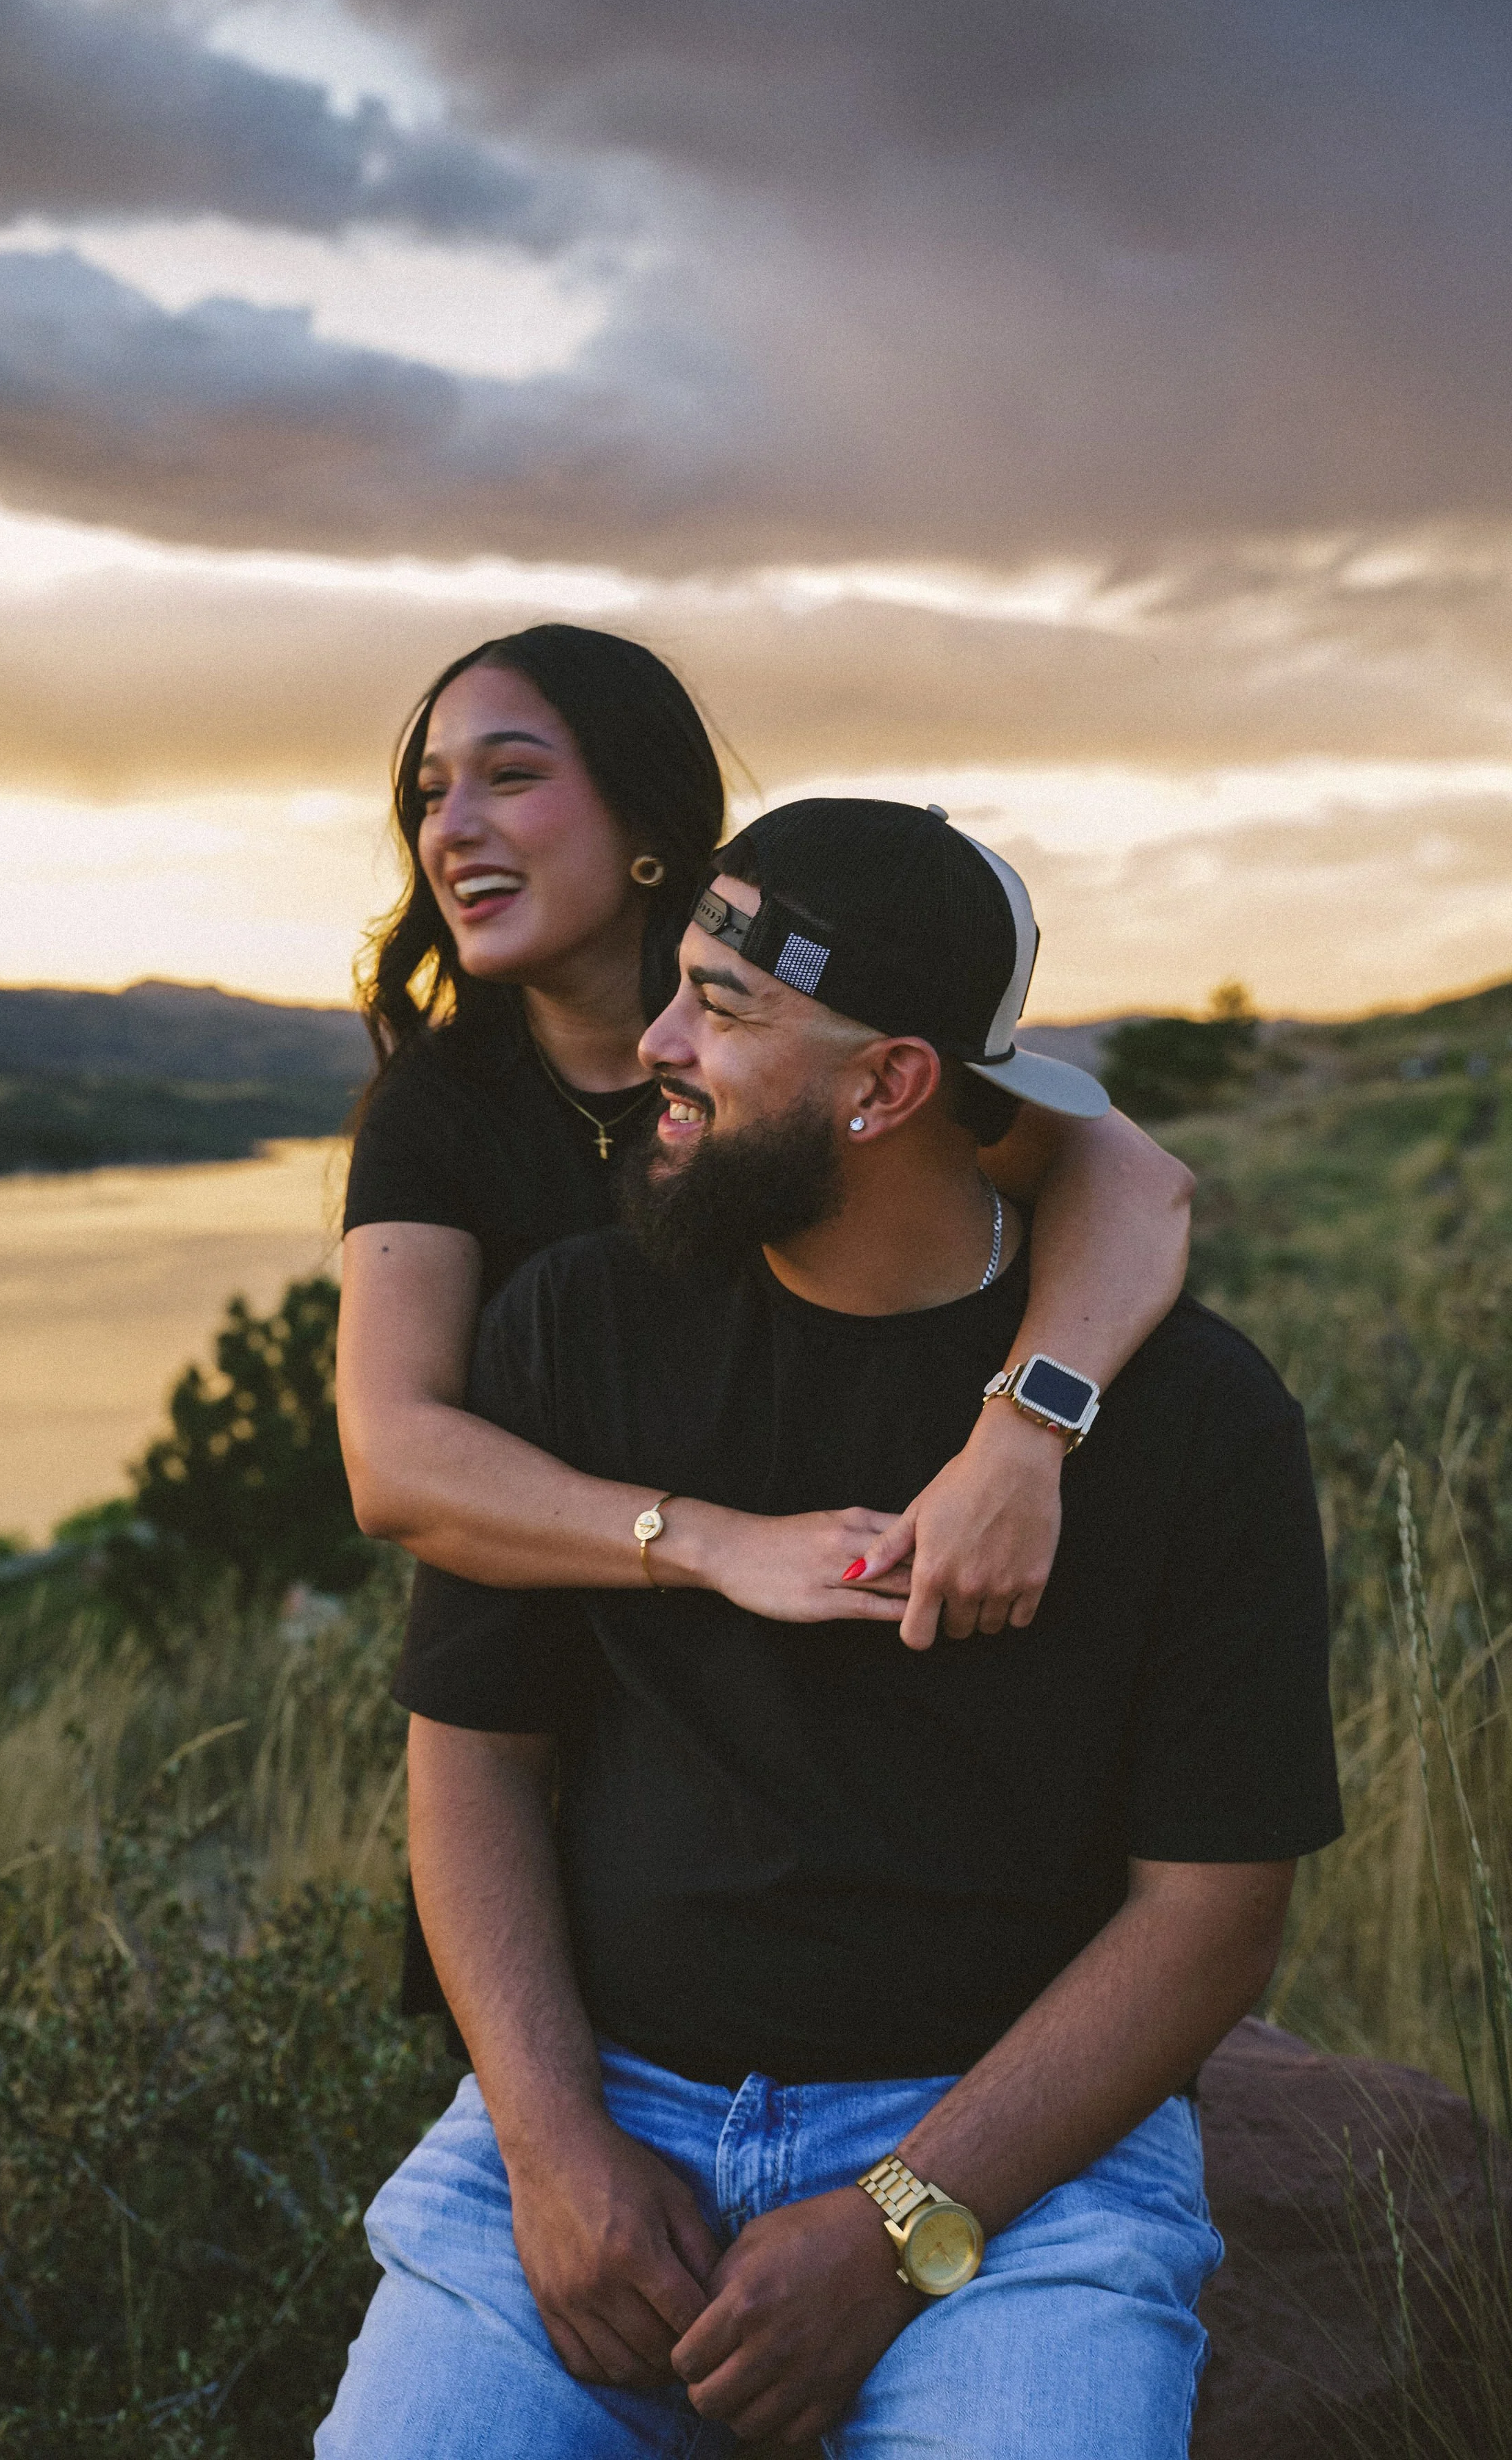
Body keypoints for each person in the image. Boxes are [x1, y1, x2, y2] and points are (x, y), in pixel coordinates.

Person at [316, 798, 1343, 2459]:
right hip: (607, 2115)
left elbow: (1214, 1917)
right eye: (675, 986)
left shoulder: (1194, 1417)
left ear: (888, 1086)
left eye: (719, 1008)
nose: (653, 1043)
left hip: (1018, 2175)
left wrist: (896, 2224)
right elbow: (473, 1762)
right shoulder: (578, 1329)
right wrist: (554, 2151)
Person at [338, 622, 1194, 1649]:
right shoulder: (441, 1105)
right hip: (549, 1614)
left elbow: (1133, 1180)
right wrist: (715, 1544)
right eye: (430, 795)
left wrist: (1022, 1438)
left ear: (642, 811)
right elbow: (390, 1462)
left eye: (510, 777)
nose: (450, 829)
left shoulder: (792, 999)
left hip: (831, 1611)